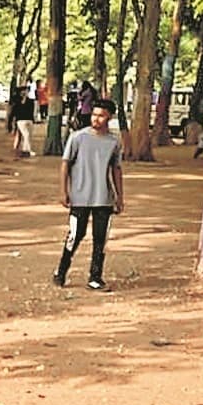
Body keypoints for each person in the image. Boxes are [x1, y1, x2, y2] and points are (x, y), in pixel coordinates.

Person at [54, 97, 124, 291]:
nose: (96, 119)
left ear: (110, 117)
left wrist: (120, 197)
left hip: (103, 198)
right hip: (79, 197)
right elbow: (65, 164)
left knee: (100, 239)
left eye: (101, 115)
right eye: (94, 114)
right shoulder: (77, 138)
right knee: (75, 235)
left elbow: (116, 169)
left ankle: (95, 276)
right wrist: (63, 190)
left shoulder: (113, 142)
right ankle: (61, 271)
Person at [10, 80, 36, 157]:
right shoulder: (16, 100)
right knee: (26, 135)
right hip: (21, 120)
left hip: (29, 120)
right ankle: (27, 150)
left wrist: (33, 119)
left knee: (29, 136)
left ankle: (25, 149)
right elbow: (15, 111)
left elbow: (32, 111)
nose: (25, 92)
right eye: (24, 91)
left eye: (27, 91)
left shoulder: (30, 101)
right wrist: (12, 122)